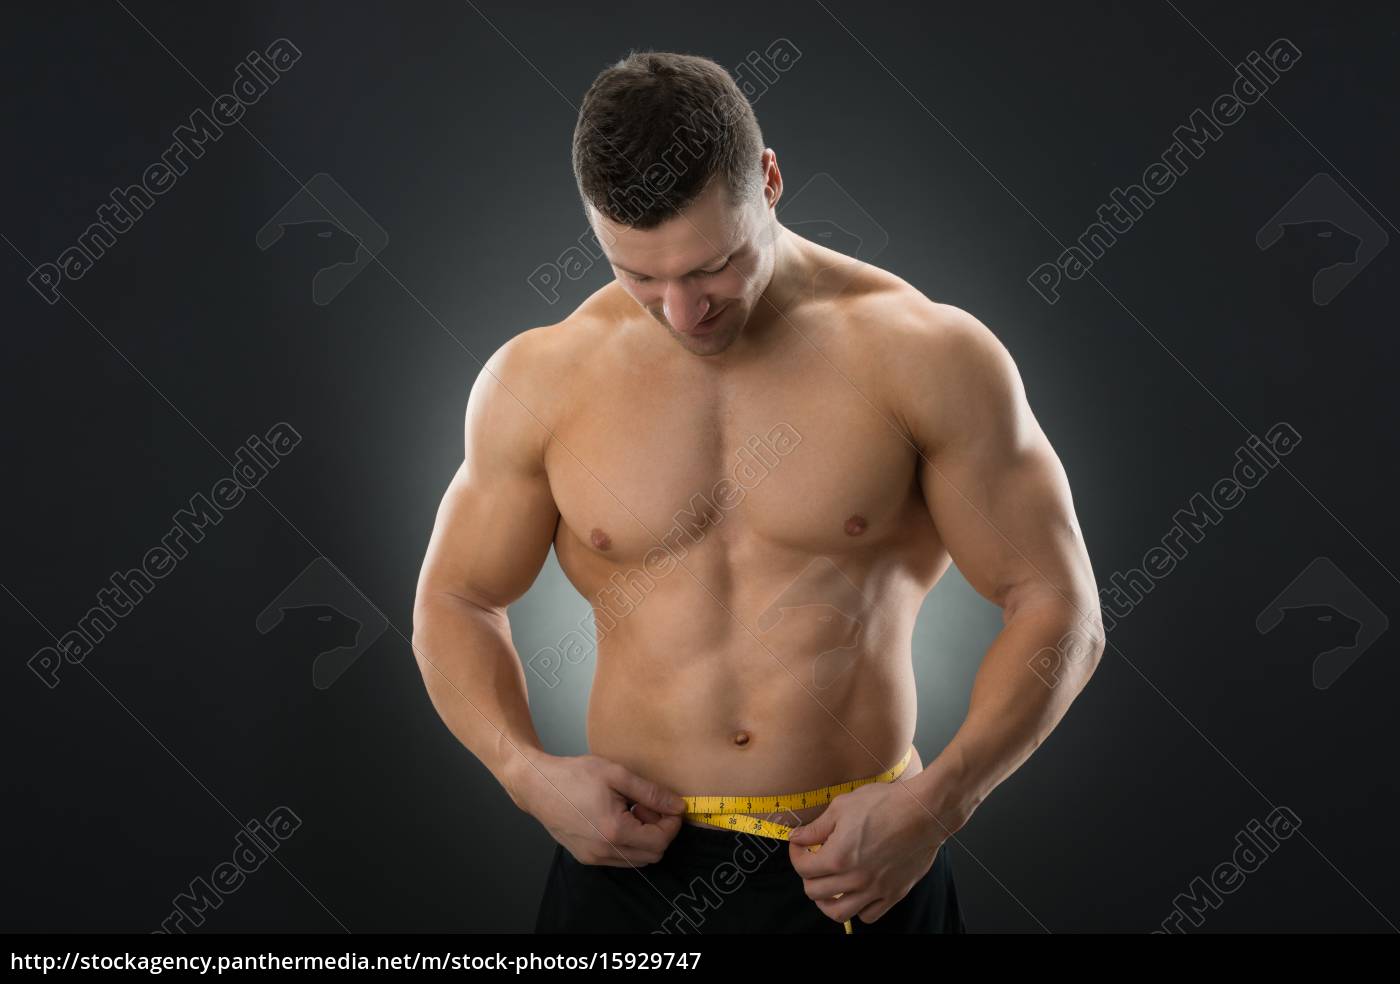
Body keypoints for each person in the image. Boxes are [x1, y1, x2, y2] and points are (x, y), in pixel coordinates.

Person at [411, 50, 1103, 934]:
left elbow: (1058, 602)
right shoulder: (541, 378)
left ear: (769, 181)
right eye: (640, 276)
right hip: (627, 868)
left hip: (859, 864)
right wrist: (525, 773)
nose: (679, 313)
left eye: (711, 267)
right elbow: (458, 596)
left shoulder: (926, 356)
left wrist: (938, 804)